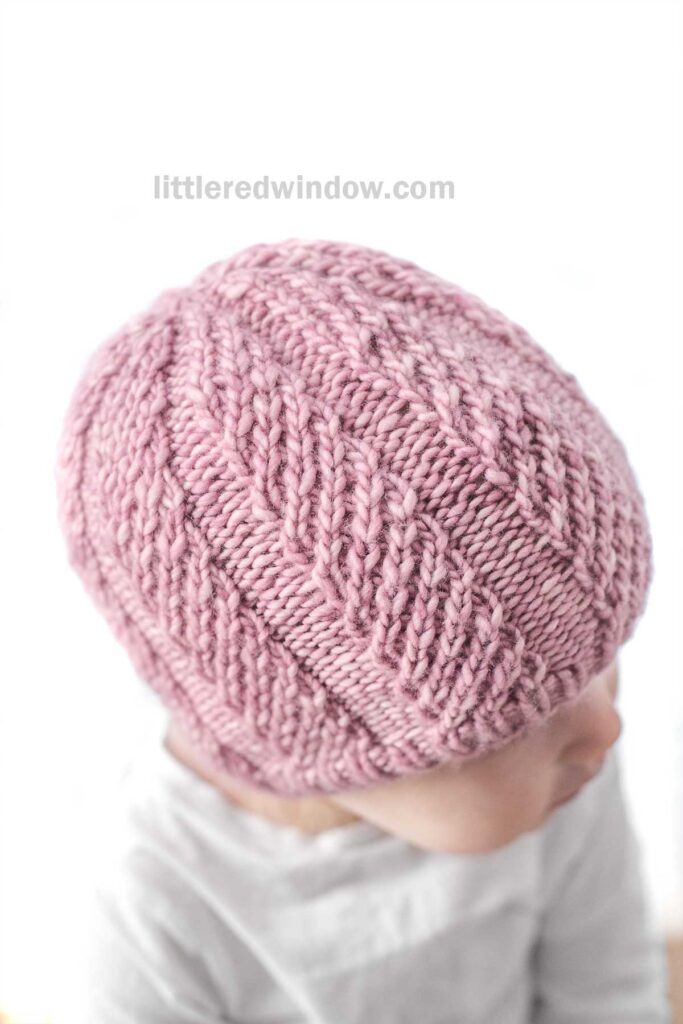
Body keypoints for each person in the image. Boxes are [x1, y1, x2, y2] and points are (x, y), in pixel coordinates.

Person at [54, 239, 672, 1022]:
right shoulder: (146, 899)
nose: (604, 724)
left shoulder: (563, 779)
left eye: (600, 658)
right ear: (308, 728)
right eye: (514, 724)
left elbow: (610, 994)